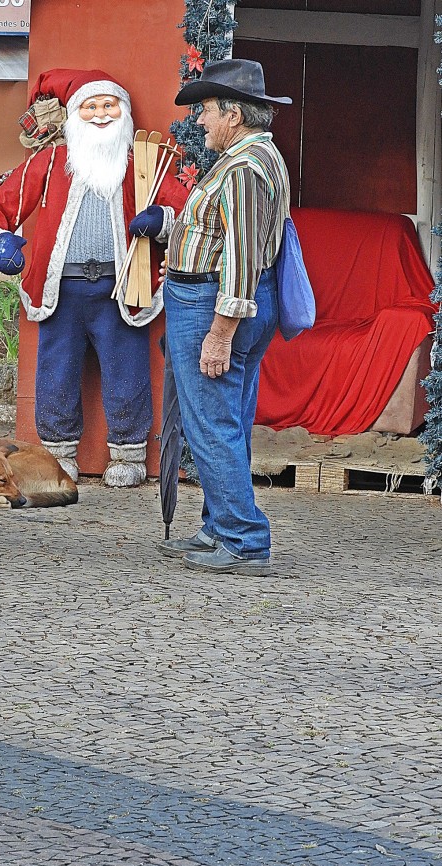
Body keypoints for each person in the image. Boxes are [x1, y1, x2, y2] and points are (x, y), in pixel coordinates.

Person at [0, 68, 188, 487]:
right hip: (61, 290)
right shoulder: (51, 162)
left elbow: (186, 214)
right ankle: (56, 455)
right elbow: (0, 207)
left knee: (128, 370)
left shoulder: (143, 166)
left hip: (121, 289)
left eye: (109, 105)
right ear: (75, 115)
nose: (100, 115)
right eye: (90, 107)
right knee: (56, 370)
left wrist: (161, 220)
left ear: (123, 113)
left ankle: (127, 453)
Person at [159, 59, 292, 575]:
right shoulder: (258, 156)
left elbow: (238, 255)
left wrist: (220, 332)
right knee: (225, 420)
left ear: (233, 114)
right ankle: (220, 528)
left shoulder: (241, 168)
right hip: (226, 301)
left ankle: (242, 538)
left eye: (207, 111)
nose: (200, 121)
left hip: (215, 306)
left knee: (211, 424)